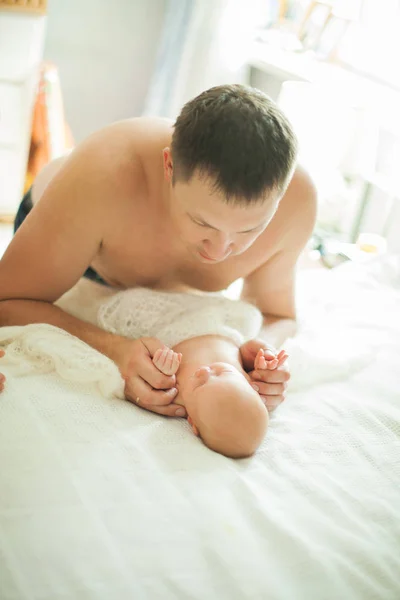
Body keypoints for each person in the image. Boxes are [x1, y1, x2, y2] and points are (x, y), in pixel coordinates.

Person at [0, 84, 317, 419]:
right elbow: (7, 301)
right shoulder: (107, 170)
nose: (220, 250)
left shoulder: (297, 203)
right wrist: (116, 350)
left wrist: (261, 352)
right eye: (201, 221)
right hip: (78, 245)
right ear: (169, 167)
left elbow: (278, 315)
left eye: (250, 229)